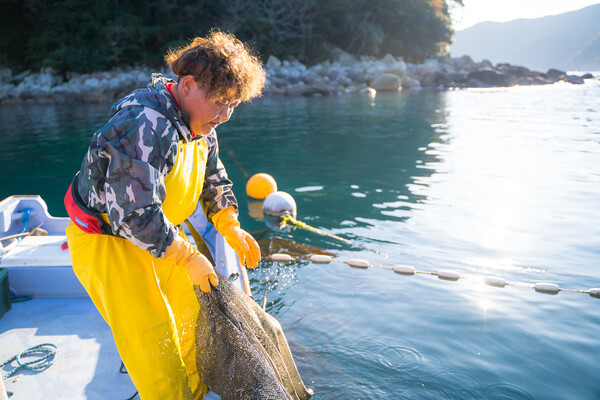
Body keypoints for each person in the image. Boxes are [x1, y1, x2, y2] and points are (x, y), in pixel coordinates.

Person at [64, 30, 265, 399]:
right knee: (154, 342)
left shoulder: (202, 124)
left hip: (162, 236)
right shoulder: (143, 123)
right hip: (109, 242)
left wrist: (229, 223)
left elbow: (212, 178)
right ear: (188, 85)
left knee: (194, 322)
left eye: (233, 104)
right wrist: (188, 256)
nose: (225, 115)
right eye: (221, 101)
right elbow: (133, 214)